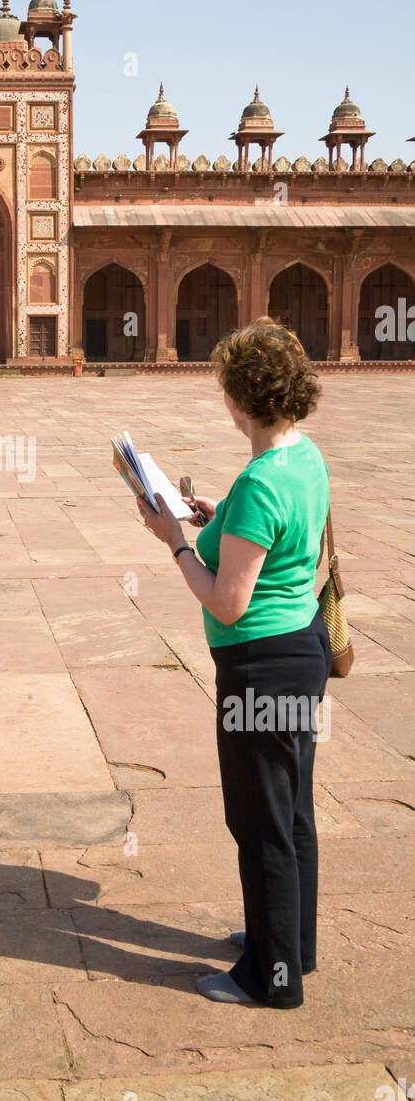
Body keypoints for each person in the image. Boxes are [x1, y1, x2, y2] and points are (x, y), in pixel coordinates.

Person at [135, 317, 331, 1010]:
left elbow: (226, 601)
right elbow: (274, 538)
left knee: (259, 822)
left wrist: (174, 542)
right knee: (292, 810)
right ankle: (293, 946)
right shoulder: (302, 458)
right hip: (300, 649)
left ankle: (269, 980)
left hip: (261, 666)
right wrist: (213, 515)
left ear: (240, 399)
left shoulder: (260, 484)